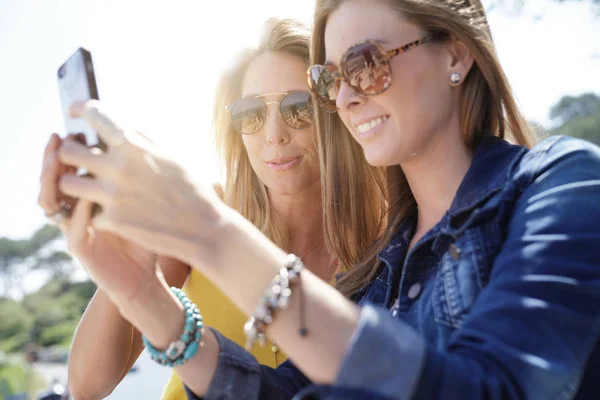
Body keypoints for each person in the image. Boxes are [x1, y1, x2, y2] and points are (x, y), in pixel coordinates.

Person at [47, 0, 600, 399]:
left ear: (455, 53)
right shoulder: (381, 274)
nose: (345, 94)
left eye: (365, 63)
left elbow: (492, 389)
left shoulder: (563, 181)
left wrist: (210, 232)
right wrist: (140, 293)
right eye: (330, 76)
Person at [37, 18, 385, 400]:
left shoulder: (386, 236)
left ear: (332, 110)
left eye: (298, 107)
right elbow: (87, 385)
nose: (273, 134)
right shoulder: (202, 213)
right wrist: (115, 265)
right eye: (250, 114)